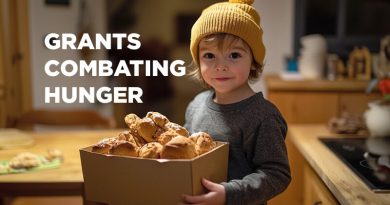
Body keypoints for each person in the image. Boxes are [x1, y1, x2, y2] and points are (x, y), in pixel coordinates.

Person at [181, 0, 291, 204]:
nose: (220, 66)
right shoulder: (195, 105)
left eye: (234, 55)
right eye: (209, 55)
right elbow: (185, 155)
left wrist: (229, 193)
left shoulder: (263, 116)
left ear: (253, 61)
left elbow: (277, 174)